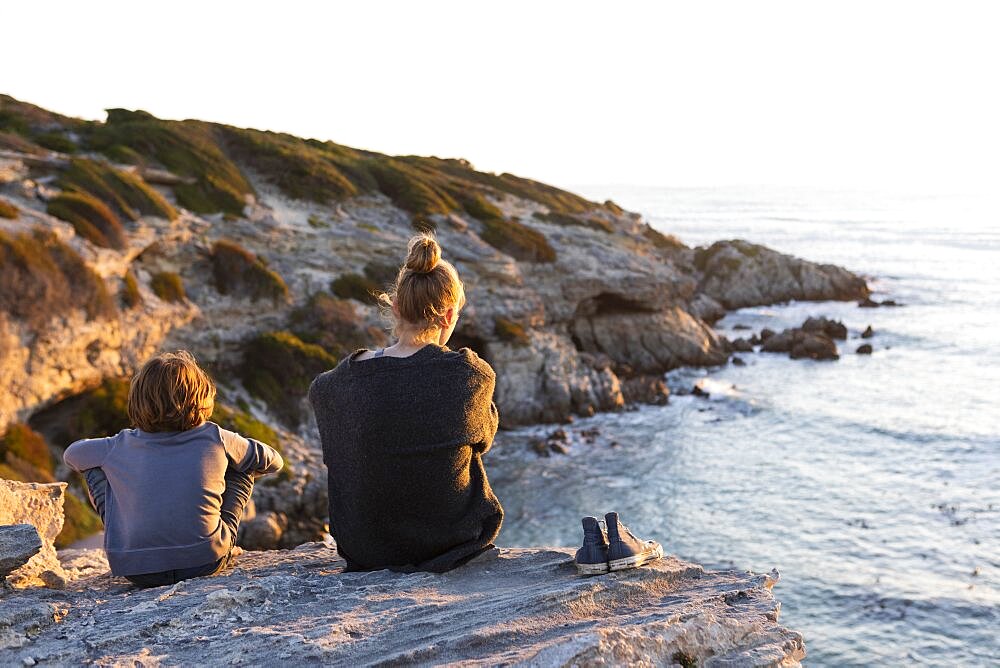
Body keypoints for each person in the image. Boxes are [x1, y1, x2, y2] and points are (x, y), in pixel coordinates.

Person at [309, 234, 503, 572]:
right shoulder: (469, 376)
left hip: (364, 549)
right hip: (450, 543)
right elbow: (484, 438)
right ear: (447, 316)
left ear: (396, 307)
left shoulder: (332, 385)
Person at [63, 350, 283, 587]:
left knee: (95, 468)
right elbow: (274, 461)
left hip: (137, 570)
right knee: (242, 466)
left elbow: (72, 455)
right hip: (204, 560)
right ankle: (224, 542)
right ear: (201, 397)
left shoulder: (119, 444)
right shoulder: (215, 437)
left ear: (138, 399)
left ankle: (129, 538)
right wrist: (220, 467)